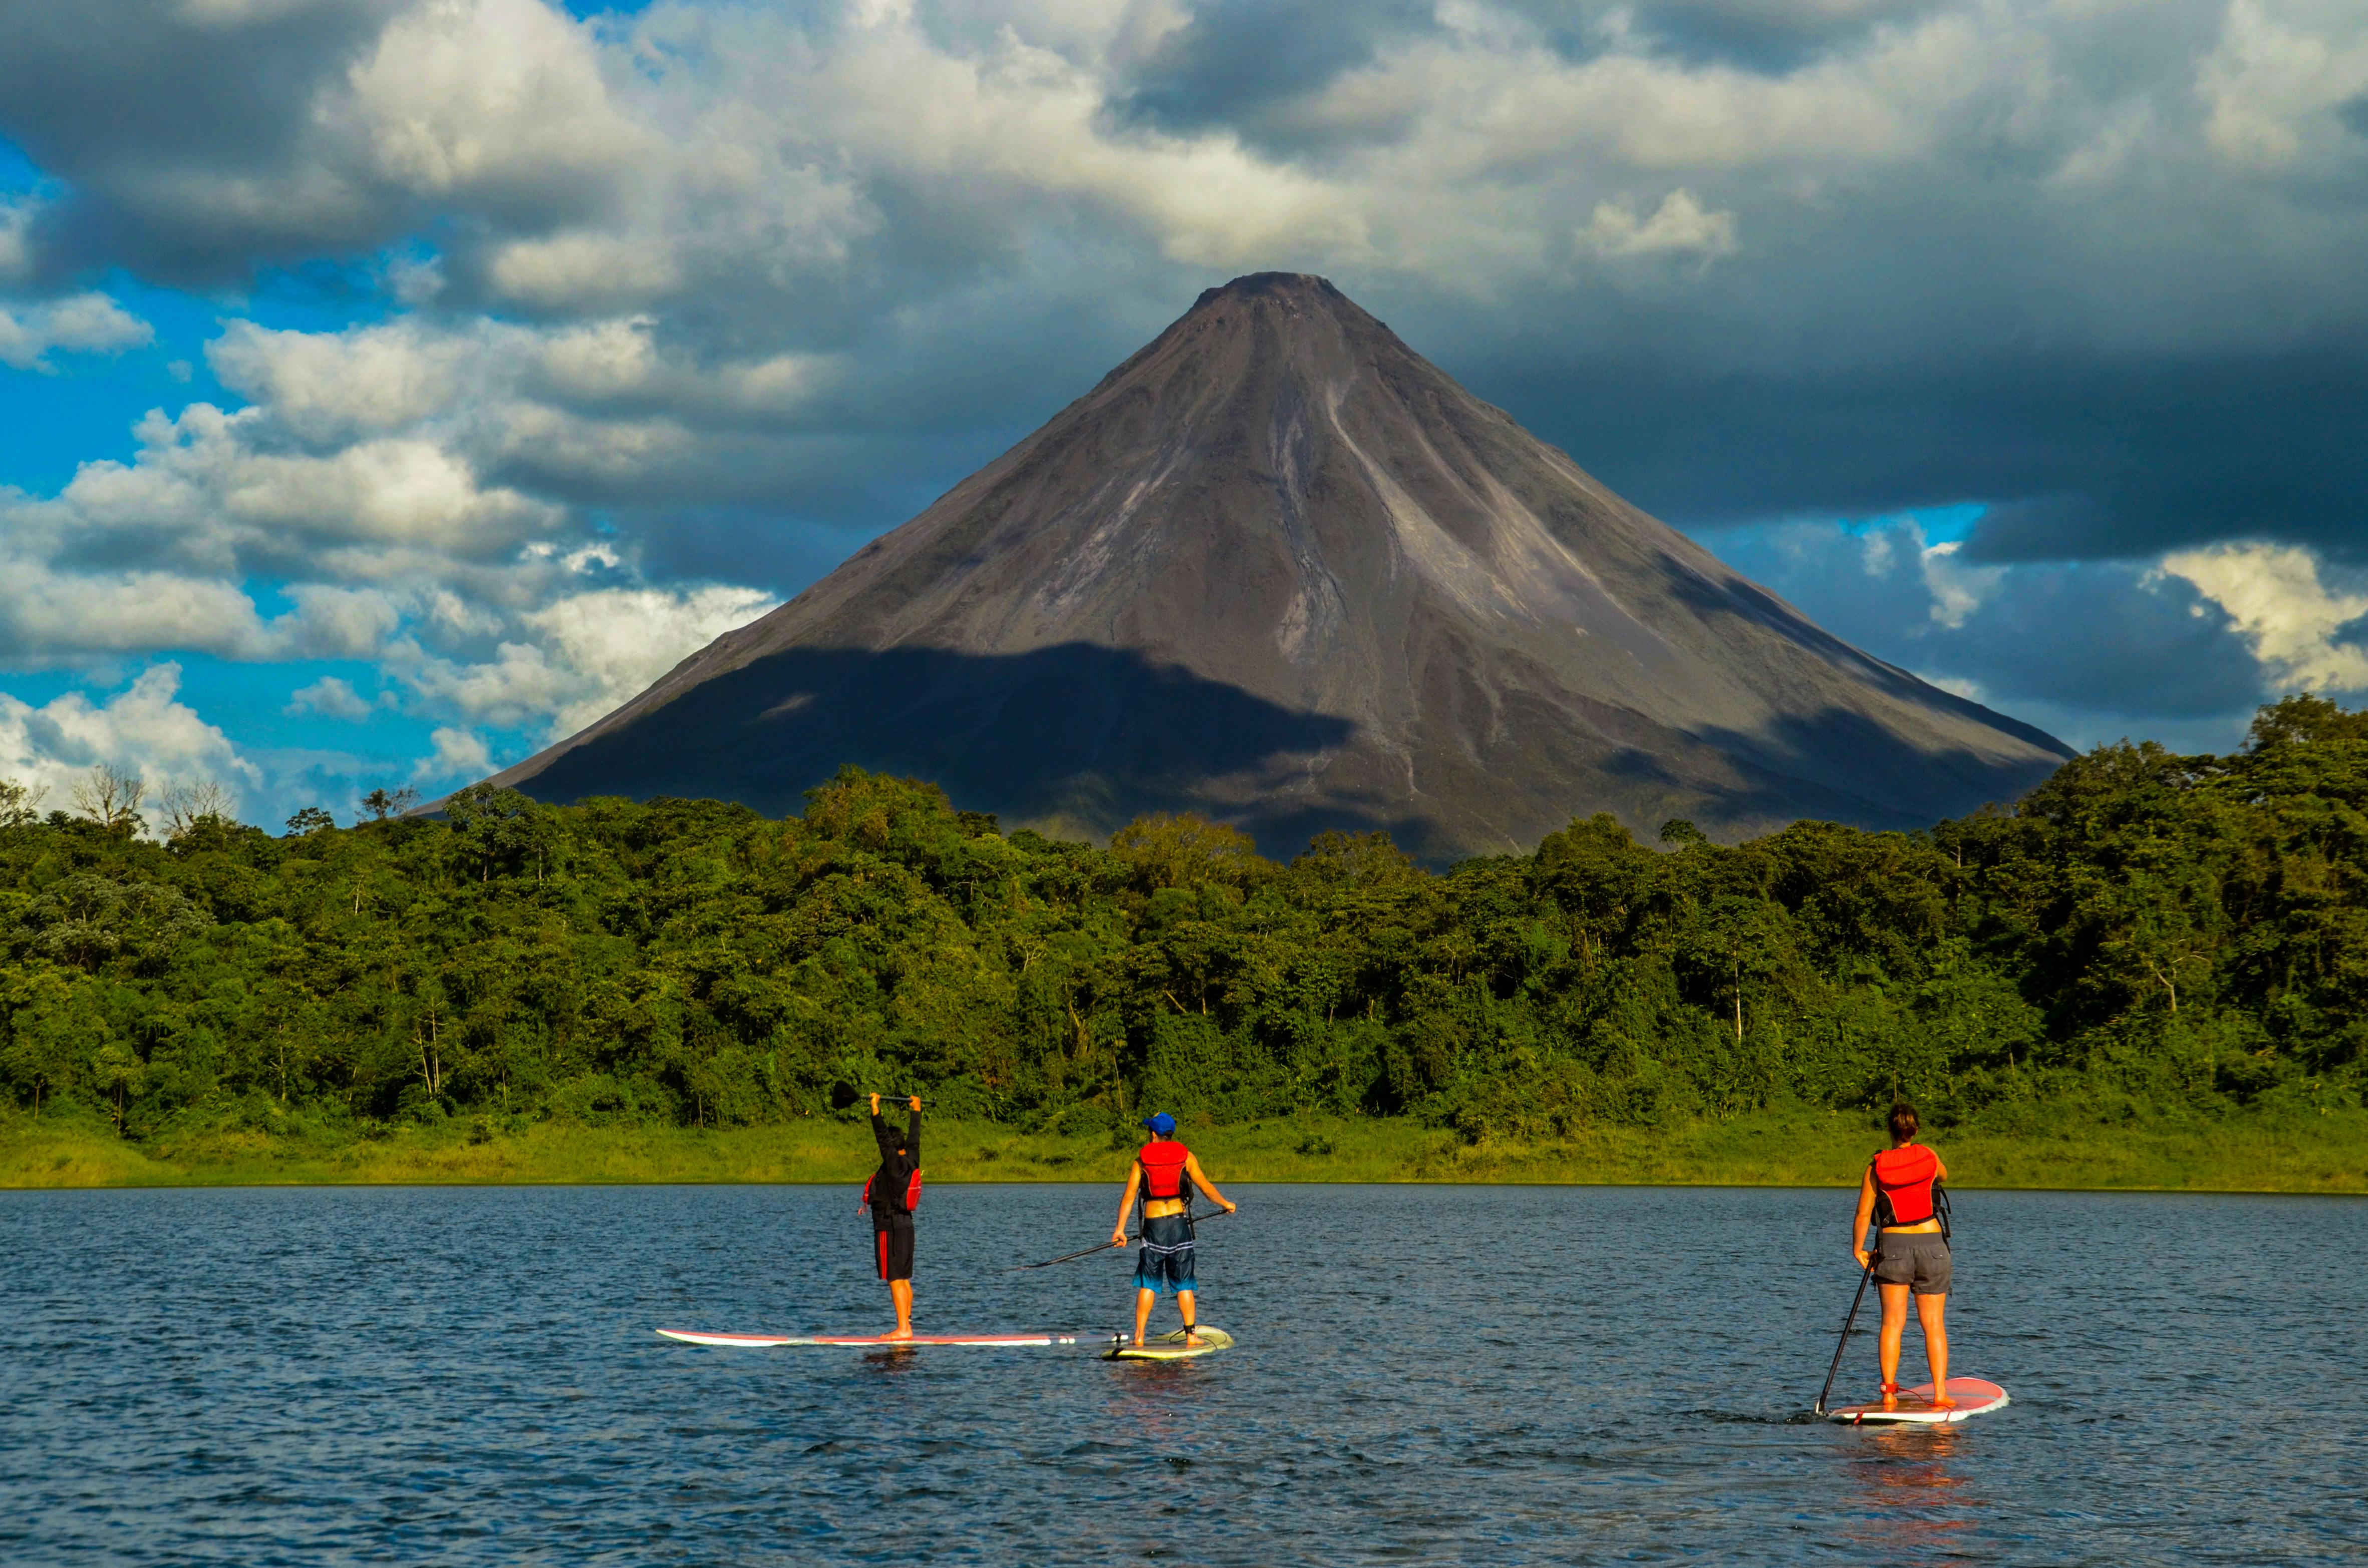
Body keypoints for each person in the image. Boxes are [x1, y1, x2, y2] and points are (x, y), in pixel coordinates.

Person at [1851, 1100, 1953, 1409]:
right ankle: (1939, 1394)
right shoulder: (1929, 1157)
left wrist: (1858, 1249)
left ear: (1890, 1130)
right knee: (1934, 1324)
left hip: (1892, 1248)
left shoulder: (1876, 1167)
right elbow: (1944, 1177)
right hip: (1933, 1246)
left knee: (1892, 1324)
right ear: (1916, 1129)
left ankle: (1890, 1395)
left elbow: (1862, 1213)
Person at [1109, 1111, 1237, 1348]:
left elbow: (1128, 1197)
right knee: (1185, 1283)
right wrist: (1225, 1204)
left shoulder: (1141, 1161)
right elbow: (1207, 1188)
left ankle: (1139, 1337)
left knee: (1148, 1283)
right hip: (1179, 1226)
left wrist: (1120, 1230)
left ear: (1154, 1134)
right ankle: (1191, 1336)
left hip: (1154, 1227)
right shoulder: (1187, 1157)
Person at [864, 1092, 923, 1341]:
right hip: (906, 1226)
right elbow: (915, 1139)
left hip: (891, 1227)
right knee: (904, 1279)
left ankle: (903, 1330)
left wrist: (875, 1109)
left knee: (895, 1279)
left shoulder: (893, 1164)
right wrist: (916, 1111)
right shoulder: (911, 1158)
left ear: (892, 1146)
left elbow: (882, 1139)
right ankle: (906, 1326)